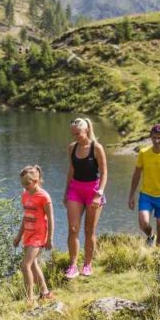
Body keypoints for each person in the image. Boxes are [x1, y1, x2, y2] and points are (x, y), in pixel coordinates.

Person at [62, 117, 108, 278]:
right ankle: (73, 265)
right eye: (73, 134)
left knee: (89, 230)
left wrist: (99, 194)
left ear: (86, 130)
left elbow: (104, 173)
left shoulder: (97, 148)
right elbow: (71, 171)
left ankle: (87, 265)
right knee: (73, 229)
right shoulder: (71, 148)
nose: (76, 137)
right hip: (75, 189)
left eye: (78, 133)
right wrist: (66, 192)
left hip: (93, 191)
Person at [13, 165, 55, 307]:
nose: (25, 187)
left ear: (36, 180)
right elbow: (26, 217)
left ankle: (29, 298)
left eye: (27, 184)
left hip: (39, 235)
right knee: (34, 265)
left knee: (25, 265)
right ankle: (45, 292)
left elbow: (50, 218)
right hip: (28, 234)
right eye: (23, 184)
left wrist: (49, 239)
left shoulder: (44, 196)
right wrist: (19, 236)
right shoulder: (25, 194)